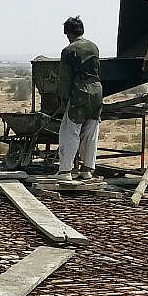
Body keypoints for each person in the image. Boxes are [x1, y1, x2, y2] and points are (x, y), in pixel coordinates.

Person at [55, 16, 103, 181]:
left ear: (67, 33)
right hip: (96, 93)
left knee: (70, 132)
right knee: (90, 133)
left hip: (79, 94)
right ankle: (87, 170)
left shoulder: (69, 50)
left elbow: (65, 79)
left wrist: (63, 100)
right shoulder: (94, 47)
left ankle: (65, 172)